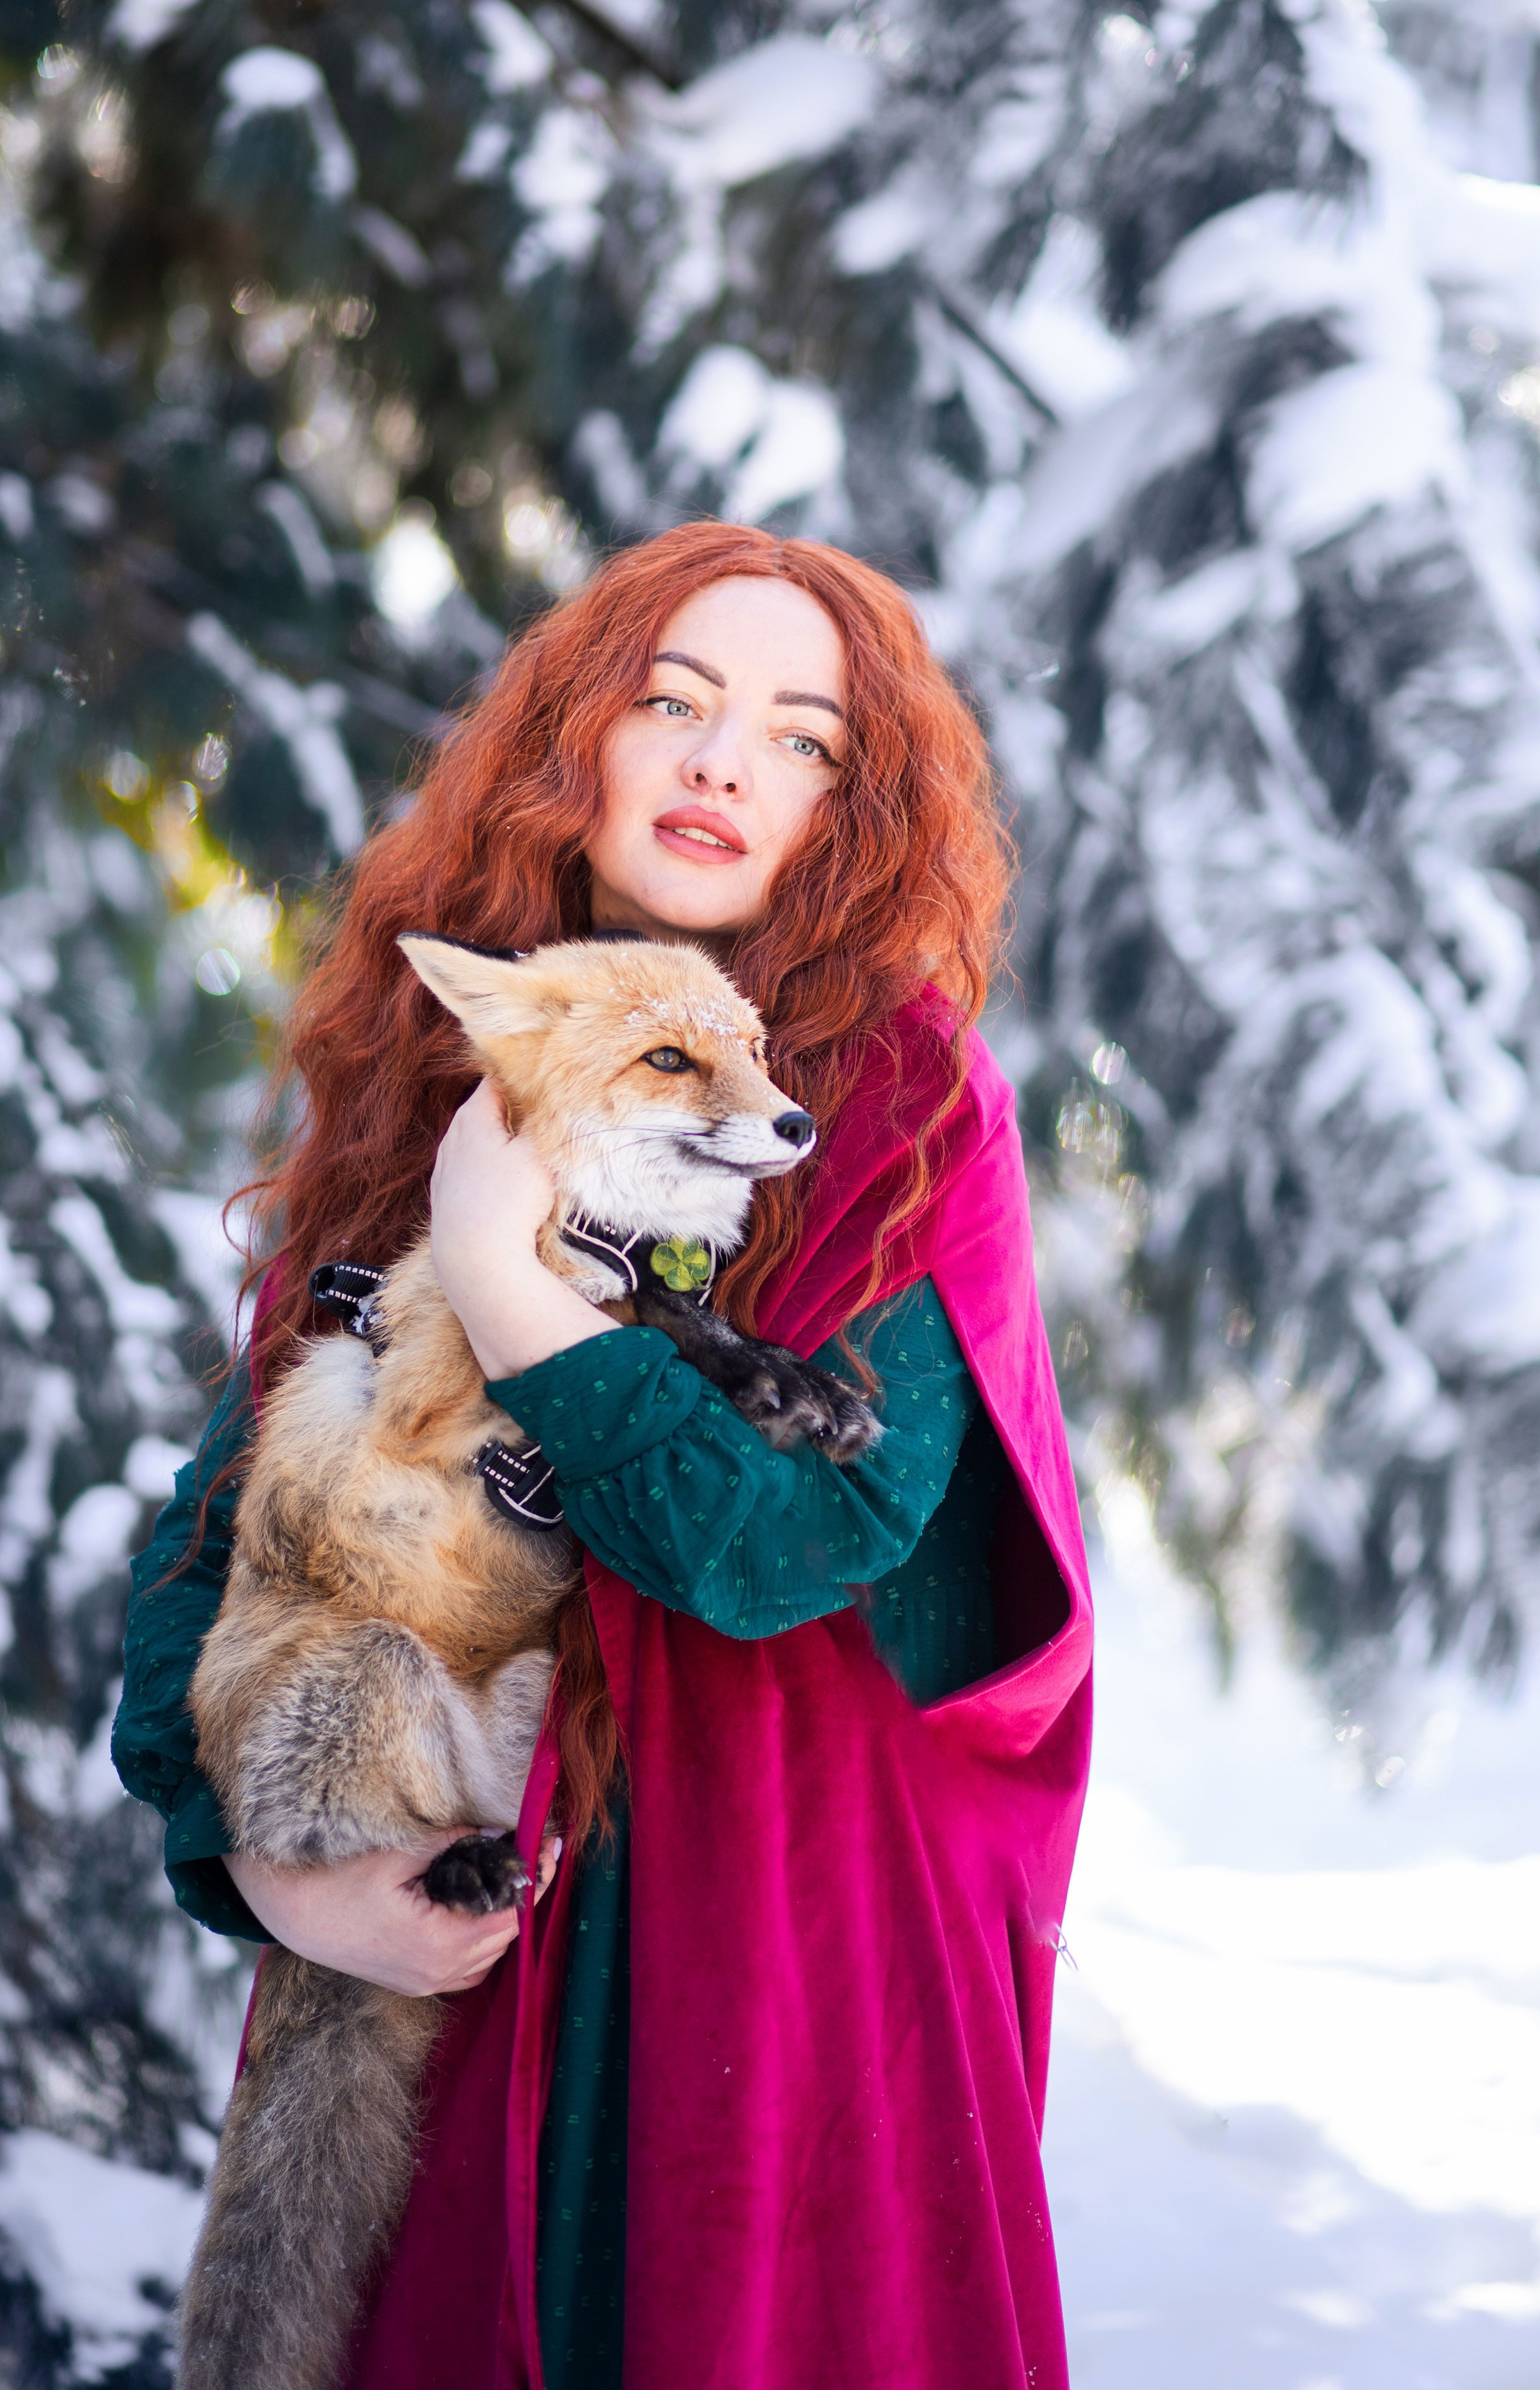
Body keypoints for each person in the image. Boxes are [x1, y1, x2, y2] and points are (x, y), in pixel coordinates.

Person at [113, 521, 1093, 2390]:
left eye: (804, 737)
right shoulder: (440, 1050)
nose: (730, 761)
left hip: (770, 1961)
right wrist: (264, 1869)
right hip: (451, 1937)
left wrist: (502, 1278)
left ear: (847, 809)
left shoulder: (893, 1104)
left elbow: (790, 1542)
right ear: (582, 735)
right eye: (678, 700)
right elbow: (236, 1527)